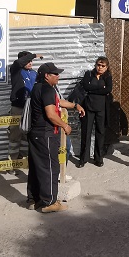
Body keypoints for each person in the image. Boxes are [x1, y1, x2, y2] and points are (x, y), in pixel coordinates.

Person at [27, 62, 83, 213]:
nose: (58, 76)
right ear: (47, 76)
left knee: (37, 167)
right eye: (55, 74)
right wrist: (64, 126)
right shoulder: (47, 89)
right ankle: (49, 202)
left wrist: (75, 105)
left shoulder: (38, 88)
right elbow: (51, 114)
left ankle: (34, 199)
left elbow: (58, 103)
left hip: (36, 134)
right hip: (46, 134)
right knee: (50, 167)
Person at [72, 56, 112, 167]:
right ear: (95, 65)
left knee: (100, 133)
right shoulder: (88, 74)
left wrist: (92, 89)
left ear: (106, 67)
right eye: (98, 65)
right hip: (88, 108)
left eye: (103, 66)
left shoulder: (108, 77)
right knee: (86, 133)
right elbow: (86, 86)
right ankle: (83, 159)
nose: (100, 67)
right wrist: (101, 89)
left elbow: (108, 89)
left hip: (101, 108)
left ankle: (98, 158)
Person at [8, 51, 43, 163]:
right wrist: (33, 55)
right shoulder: (16, 71)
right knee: (15, 136)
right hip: (18, 107)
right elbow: (18, 63)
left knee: (26, 135)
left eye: (31, 61)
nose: (30, 62)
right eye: (27, 60)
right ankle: (12, 163)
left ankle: (22, 160)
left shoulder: (34, 73)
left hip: (31, 108)